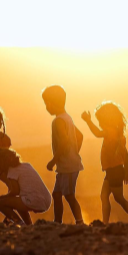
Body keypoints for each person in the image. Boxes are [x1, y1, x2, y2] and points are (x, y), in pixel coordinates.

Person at [81, 101, 128, 224]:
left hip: (115, 171)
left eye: (100, 121)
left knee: (119, 198)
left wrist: (88, 121)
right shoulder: (117, 133)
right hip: (112, 171)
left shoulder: (110, 132)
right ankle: (106, 223)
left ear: (107, 120)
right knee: (104, 196)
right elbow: (125, 154)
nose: (99, 124)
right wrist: (126, 171)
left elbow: (98, 133)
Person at [41, 85, 85, 224]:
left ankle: (79, 221)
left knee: (69, 195)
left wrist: (53, 160)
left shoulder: (59, 121)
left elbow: (64, 142)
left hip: (69, 166)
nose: (46, 107)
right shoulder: (67, 118)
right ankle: (57, 221)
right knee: (57, 194)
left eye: (46, 103)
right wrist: (74, 151)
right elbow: (80, 135)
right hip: (65, 165)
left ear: (51, 103)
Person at [0, 148, 52, 226]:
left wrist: (4, 197)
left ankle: (20, 223)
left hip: (35, 200)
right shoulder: (26, 165)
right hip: (47, 199)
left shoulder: (12, 171)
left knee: (0, 204)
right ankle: (28, 225)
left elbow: (15, 191)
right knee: (17, 201)